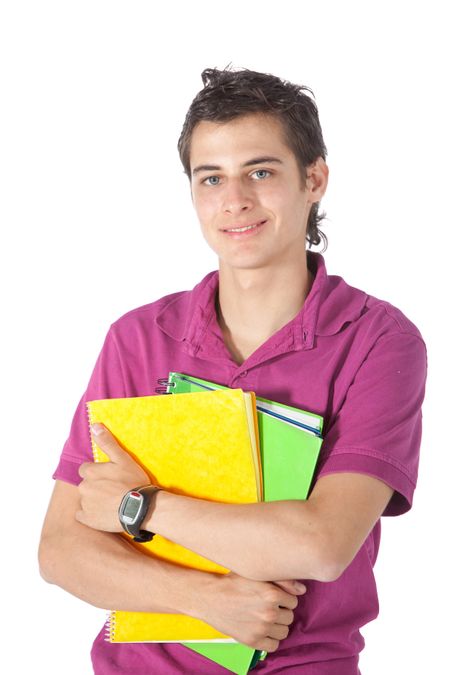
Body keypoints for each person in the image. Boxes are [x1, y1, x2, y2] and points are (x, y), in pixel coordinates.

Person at [38, 66, 427, 675]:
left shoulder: (378, 341)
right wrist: (206, 599)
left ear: (315, 178)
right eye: (211, 177)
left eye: (261, 172)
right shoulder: (139, 338)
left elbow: (321, 545)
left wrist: (139, 507)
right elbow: (63, 550)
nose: (234, 199)